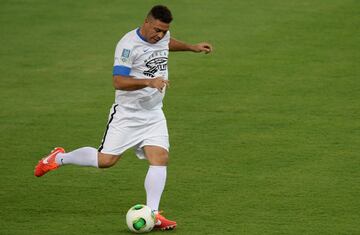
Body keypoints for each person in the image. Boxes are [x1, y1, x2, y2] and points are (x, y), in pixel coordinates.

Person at [34, 5, 212, 231]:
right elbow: (118, 81)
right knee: (105, 161)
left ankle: (154, 214)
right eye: (157, 30)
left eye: (164, 31)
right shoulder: (128, 45)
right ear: (146, 22)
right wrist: (149, 81)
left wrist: (193, 47)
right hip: (127, 115)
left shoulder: (162, 37)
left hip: (153, 113)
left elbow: (167, 44)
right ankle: (58, 158)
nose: (160, 35)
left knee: (160, 158)